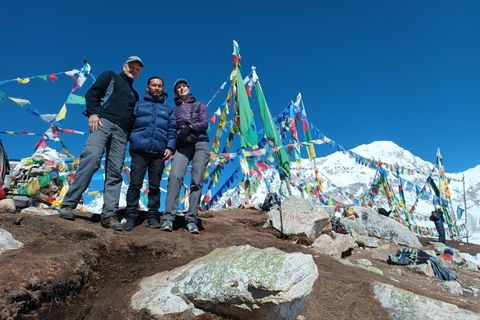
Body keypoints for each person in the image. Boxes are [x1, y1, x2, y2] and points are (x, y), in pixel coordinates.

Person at [58, 56, 143, 230]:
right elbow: (93, 93)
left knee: (115, 172)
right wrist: (93, 113)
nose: (134, 70)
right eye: (132, 67)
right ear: (124, 66)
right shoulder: (111, 76)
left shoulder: (135, 95)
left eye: (138, 69)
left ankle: (109, 215)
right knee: (92, 159)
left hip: (121, 133)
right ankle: (68, 204)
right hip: (102, 122)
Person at [123, 76, 177, 231]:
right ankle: (131, 216)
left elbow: (172, 130)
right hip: (139, 150)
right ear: (147, 87)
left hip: (159, 152)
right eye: (154, 85)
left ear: (163, 89)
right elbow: (129, 124)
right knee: (135, 184)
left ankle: (153, 217)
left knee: (155, 186)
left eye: (159, 86)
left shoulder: (168, 109)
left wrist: (170, 147)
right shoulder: (138, 105)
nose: (156, 88)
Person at [161, 78, 210, 234]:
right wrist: (177, 137)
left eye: (184, 86)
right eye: (178, 88)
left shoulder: (199, 105)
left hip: (200, 143)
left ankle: (192, 219)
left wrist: (190, 127)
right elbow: (171, 128)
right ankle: (169, 217)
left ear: (188, 88)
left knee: (197, 180)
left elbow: (205, 123)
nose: (182, 89)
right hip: (181, 146)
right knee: (174, 176)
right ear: (176, 92)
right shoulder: (173, 111)